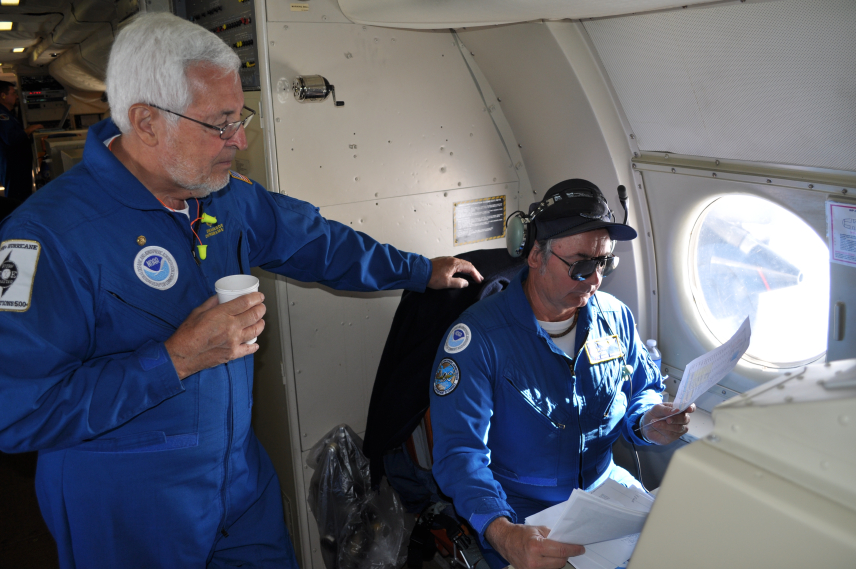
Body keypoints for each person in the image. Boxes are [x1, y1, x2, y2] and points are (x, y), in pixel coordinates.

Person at [0, 12, 481, 569]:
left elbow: (319, 243)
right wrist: (174, 360)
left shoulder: (223, 195)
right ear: (147, 122)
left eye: (240, 115)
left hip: (237, 477)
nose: (241, 138)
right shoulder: (48, 238)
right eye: (221, 123)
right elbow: (17, 413)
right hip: (126, 499)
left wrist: (419, 271)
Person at [429, 179, 694, 569]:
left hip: (606, 492)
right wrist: (502, 533)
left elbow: (644, 388)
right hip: (521, 510)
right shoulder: (478, 340)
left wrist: (648, 420)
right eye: (582, 265)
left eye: (604, 262)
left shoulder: (615, 317)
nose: (596, 279)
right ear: (536, 255)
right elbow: (459, 454)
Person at [0, 81, 42, 202]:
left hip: (18, 166)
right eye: (13, 93)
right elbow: (11, 138)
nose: (16, 96)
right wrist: (29, 130)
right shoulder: (2, 115)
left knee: (22, 197)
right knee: (16, 200)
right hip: (14, 167)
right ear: (3, 95)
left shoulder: (8, 114)